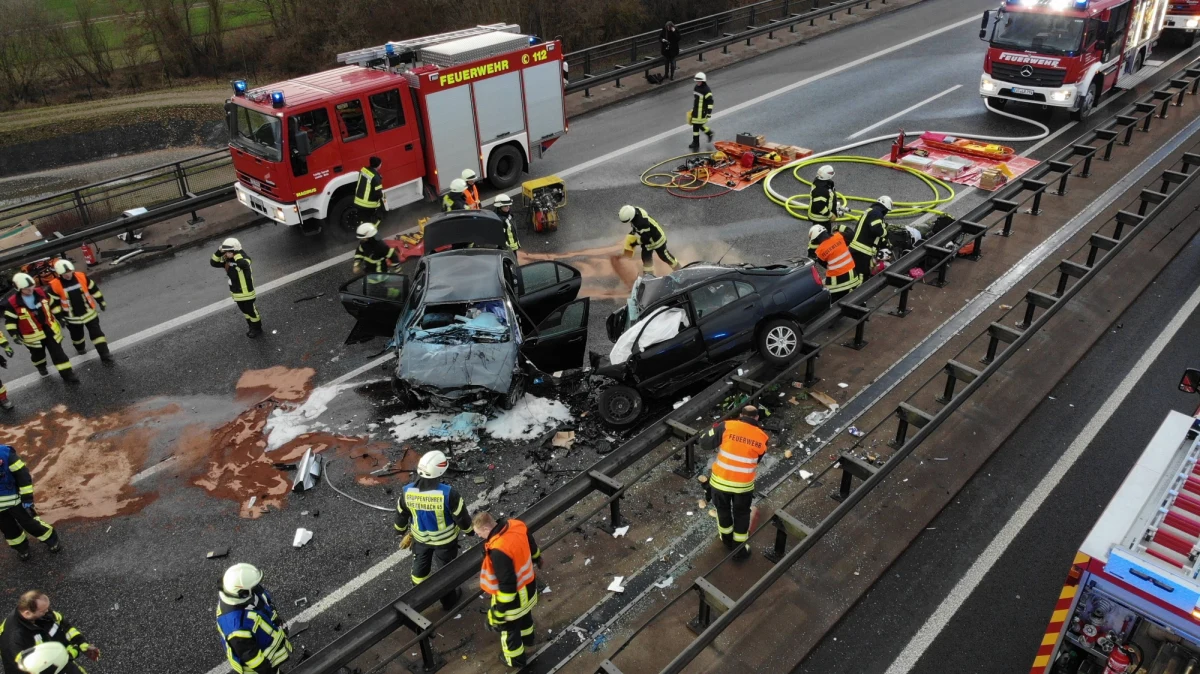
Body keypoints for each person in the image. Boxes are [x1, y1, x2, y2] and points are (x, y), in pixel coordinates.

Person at [395, 451, 472, 610]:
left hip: (420, 540)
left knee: (419, 571)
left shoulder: (407, 491)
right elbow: (461, 517)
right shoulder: (449, 494)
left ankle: (419, 600)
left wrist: (400, 530)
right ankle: (449, 601)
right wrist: (469, 530)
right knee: (446, 572)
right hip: (445, 543)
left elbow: (401, 514)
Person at [700, 405, 769, 560]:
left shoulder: (727, 426)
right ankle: (739, 548)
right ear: (757, 417)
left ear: (741, 415)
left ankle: (726, 541)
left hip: (720, 482)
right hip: (743, 486)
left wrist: (714, 428)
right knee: (742, 514)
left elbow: (704, 443)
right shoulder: (762, 437)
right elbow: (757, 459)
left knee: (723, 511)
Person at [474, 512, 541, 669]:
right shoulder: (516, 525)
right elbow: (532, 545)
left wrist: (499, 611)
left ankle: (515, 660)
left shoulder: (499, 549)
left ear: (486, 529)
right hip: (529, 585)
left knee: (509, 630)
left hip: (516, 597)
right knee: (525, 618)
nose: (479, 537)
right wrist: (537, 558)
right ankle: (528, 640)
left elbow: (507, 585)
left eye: (479, 533)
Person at [216, 563, 292, 674]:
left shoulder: (242, 592)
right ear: (243, 593)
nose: (257, 586)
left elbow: (264, 605)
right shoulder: (236, 627)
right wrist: (268, 672)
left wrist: (277, 621)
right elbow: (251, 657)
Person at [4, 274, 77, 383]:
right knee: (38, 355)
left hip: (49, 330)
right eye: (26, 288)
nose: (30, 289)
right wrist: (14, 334)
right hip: (32, 336)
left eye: (31, 286)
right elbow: (10, 321)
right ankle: (41, 366)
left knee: (58, 354)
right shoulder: (12, 303)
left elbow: (53, 305)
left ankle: (68, 375)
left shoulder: (41, 293)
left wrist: (60, 317)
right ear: (19, 288)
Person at [0, 591, 95, 674]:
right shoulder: (15, 638)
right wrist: (71, 653)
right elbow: (40, 667)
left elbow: (63, 624)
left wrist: (81, 643)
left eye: (47, 608)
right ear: (27, 613)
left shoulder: (38, 614)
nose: (48, 611)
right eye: (43, 611)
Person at [0, 445, 61, 562]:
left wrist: (27, 499)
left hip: (17, 501)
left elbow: (23, 475)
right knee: (9, 530)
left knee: (30, 523)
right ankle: (22, 549)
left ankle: (51, 539)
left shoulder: (5, 454)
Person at [46, 260, 110, 363]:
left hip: (89, 313)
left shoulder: (81, 277)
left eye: (69, 271)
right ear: (59, 274)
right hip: (72, 318)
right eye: (64, 273)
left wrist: (101, 302)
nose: (67, 275)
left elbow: (94, 289)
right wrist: (60, 317)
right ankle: (80, 348)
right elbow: (53, 304)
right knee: (77, 337)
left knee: (97, 334)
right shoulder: (54, 286)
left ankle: (105, 355)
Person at [210, 239, 262, 339]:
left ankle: (257, 328)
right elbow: (213, 263)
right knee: (245, 311)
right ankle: (251, 327)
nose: (227, 254)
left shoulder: (243, 258)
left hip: (246, 291)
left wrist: (236, 254)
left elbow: (243, 264)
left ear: (235, 250)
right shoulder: (227, 260)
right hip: (236, 292)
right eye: (226, 252)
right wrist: (219, 252)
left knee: (251, 311)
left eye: (229, 251)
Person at [619, 205, 681, 276]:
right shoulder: (635, 211)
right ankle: (649, 276)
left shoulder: (642, 222)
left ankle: (679, 269)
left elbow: (646, 238)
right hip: (648, 241)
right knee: (646, 258)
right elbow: (636, 226)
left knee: (664, 256)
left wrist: (635, 243)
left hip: (657, 239)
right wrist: (633, 232)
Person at [808, 225, 862, 301]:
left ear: (816, 239)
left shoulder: (819, 251)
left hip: (835, 284)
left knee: (834, 302)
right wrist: (840, 227)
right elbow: (851, 234)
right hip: (852, 278)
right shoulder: (839, 237)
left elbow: (823, 263)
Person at [846, 196, 892, 276]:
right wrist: (886, 233)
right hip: (862, 251)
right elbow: (877, 229)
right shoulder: (877, 213)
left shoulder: (871, 211)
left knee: (856, 273)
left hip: (858, 249)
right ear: (885, 208)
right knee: (862, 276)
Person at [354, 156, 384, 225]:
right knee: (377, 218)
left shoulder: (363, 170)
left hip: (358, 201)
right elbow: (378, 194)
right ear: (378, 165)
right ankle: (372, 229)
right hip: (368, 205)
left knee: (363, 220)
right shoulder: (376, 178)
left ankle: (363, 228)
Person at [689, 72, 714, 151]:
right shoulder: (696, 87)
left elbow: (710, 102)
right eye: (696, 81)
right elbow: (696, 99)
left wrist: (709, 113)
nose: (697, 82)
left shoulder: (706, 90)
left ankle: (708, 133)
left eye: (699, 81)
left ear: (703, 81)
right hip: (696, 110)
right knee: (695, 125)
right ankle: (696, 142)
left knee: (698, 125)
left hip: (702, 112)